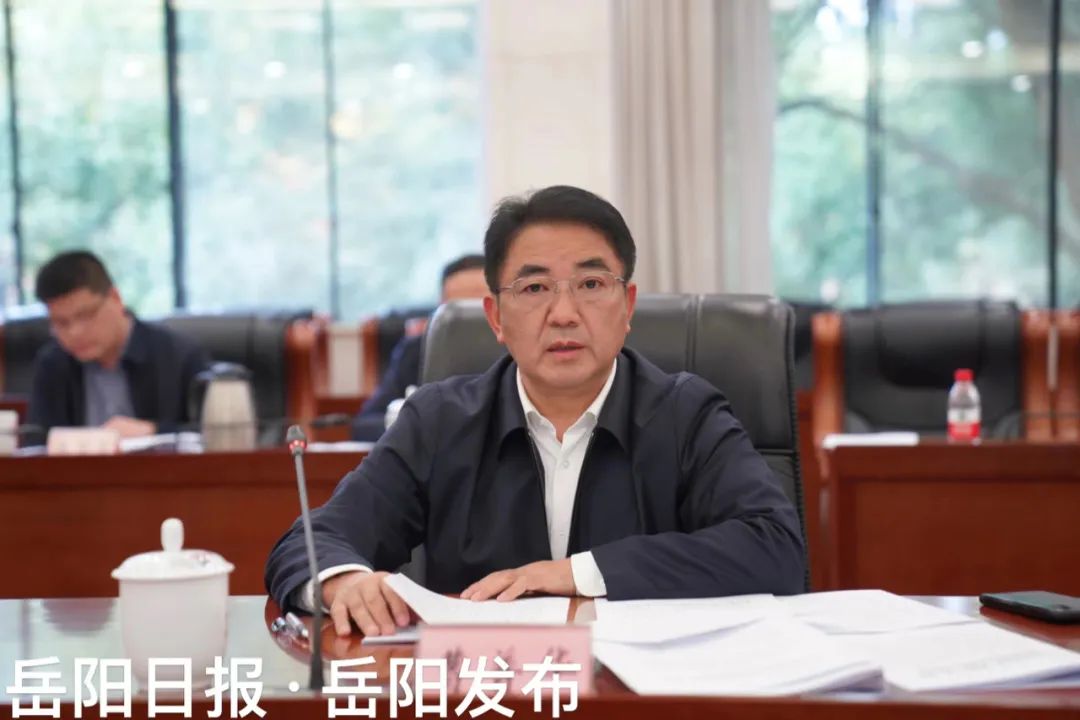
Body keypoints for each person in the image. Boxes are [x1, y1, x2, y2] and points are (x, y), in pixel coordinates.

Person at [266, 185, 805, 637]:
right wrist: (342, 581)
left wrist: (576, 574)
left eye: (591, 284)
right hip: (490, 696)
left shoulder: (686, 413)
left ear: (627, 307)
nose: (564, 313)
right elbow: (311, 543)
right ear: (496, 318)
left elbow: (776, 548)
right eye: (535, 287)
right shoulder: (440, 421)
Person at [28, 250, 210, 439]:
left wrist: (154, 432)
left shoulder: (179, 355)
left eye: (86, 316)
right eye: (61, 323)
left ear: (115, 298)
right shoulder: (53, 364)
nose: (75, 333)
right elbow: (35, 441)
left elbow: (214, 434)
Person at [351, 254, 488, 441]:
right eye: (458, 309)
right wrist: (411, 422)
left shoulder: (521, 351)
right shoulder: (416, 350)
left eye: (480, 307)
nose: (470, 321)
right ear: (440, 308)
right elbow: (365, 424)